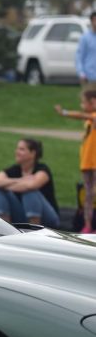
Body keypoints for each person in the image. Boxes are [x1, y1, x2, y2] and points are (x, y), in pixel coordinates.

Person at [0, 138, 60, 229]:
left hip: (48, 218)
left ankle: (34, 231)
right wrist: (19, 180)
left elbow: (32, 185)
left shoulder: (42, 169)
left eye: (21, 149)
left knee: (30, 192)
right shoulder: (16, 169)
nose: (16, 152)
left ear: (33, 153)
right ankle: (5, 228)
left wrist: (6, 185)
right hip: (23, 216)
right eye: (17, 148)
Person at [55, 89, 96, 232]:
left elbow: (81, 115)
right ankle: (88, 224)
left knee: (93, 192)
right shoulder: (89, 119)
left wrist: (64, 113)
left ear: (93, 102)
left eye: (84, 102)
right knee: (88, 194)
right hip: (87, 161)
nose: (81, 105)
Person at [76, 12, 96, 92]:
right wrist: (81, 73)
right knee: (90, 102)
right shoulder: (85, 38)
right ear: (91, 21)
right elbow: (79, 57)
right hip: (89, 77)